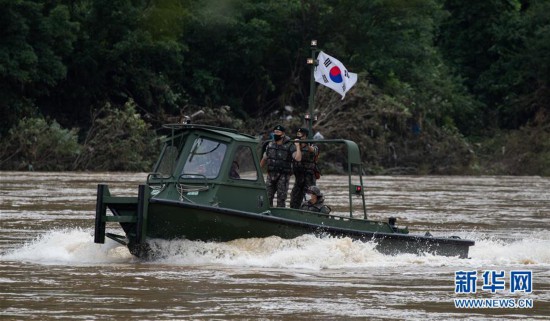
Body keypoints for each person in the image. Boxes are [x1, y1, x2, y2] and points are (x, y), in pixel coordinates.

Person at [260, 124, 302, 207]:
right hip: (270, 175)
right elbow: (264, 159)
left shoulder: (290, 145)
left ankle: (279, 217)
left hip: (283, 176)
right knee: (267, 198)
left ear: (283, 134)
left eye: (278, 132)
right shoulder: (270, 145)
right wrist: (258, 171)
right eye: (275, 132)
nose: (276, 134)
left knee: (281, 199)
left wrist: (297, 147)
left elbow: (298, 158)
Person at [290, 127, 319, 209]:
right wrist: (298, 146)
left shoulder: (312, 145)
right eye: (298, 135)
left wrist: (307, 144)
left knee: (310, 198)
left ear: (306, 136)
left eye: (301, 136)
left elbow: (313, 150)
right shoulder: (294, 146)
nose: (299, 137)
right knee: (294, 199)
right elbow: (297, 158)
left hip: (309, 177)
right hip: (298, 177)